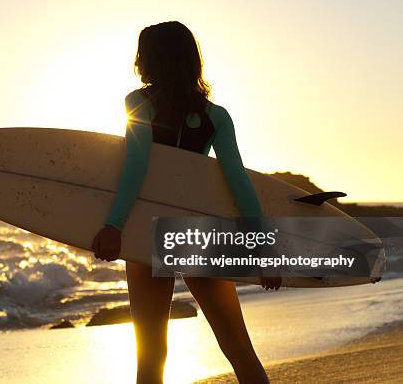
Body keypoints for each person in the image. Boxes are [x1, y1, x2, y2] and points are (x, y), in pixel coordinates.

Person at [91, 21, 281, 384]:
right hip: (197, 234)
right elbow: (238, 183)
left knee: (150, 355)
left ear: (152, 60)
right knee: (238, 348)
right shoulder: (216, 117)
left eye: (142, 54)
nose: (138, 62)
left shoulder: (138, 103)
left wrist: (115, 225)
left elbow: (137, 166)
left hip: (148, 233)